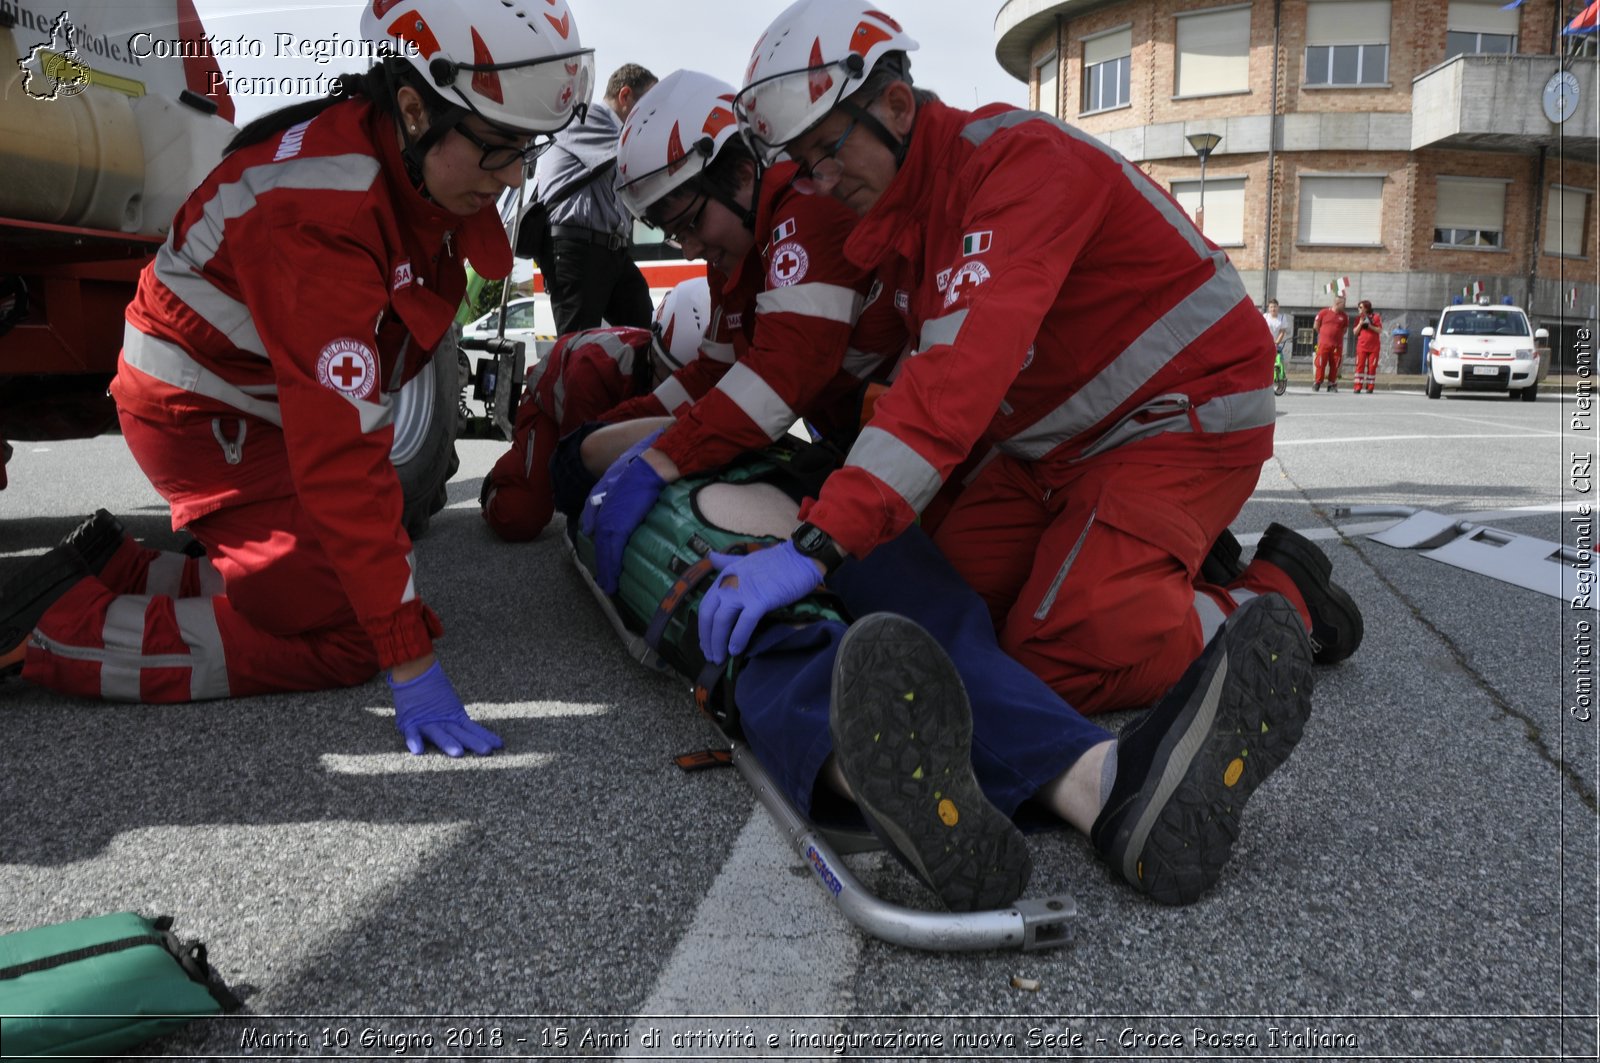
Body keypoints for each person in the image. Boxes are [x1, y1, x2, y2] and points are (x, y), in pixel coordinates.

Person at [701, 0, 1362, 720]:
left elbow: (953, 383)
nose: (820, 182)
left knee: (1051, 660)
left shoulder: (1015, 163)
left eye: (828, 151)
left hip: (1178, 421)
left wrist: (815, 545)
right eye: (803, 166)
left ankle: (1274, 598)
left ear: (895, 106)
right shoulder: (916, 210)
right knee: (952, 606)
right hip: (1060, 450)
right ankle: (1153, 570)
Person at [0, 0, 595, 756]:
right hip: (202, 410)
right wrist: (406, 658)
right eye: (496, 148)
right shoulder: (322, 207)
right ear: (412, 107)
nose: (513, 175)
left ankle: (123, 570)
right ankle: (50, 633)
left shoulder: (400, 161)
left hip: (240, 395)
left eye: (525, 150)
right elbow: (342, 457)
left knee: (358, 579)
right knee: (350, 634)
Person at [571, 441, 1316, 910]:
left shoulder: (747, 321)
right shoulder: (607, 375)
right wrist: (678, 423)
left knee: (939, 631)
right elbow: (587, 453)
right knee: (768, 630)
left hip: (830, 496)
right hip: (745, 514)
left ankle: (1111, 787)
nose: (688, 235)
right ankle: (907, 773)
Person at [576, 68, 907, 594]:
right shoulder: (737, 237)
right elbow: (714, 370)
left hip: (915, 447)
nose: (687, 248)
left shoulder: (806, 208)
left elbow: (784, 374)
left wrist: (662, 457)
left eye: (688, 224)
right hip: (863, 439)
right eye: (673, 233)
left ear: (743, 173)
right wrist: (606, 428)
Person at [479, 278, 710, 541]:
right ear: (653, 353)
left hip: (601, 403)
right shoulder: (593, 370)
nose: (675, 390)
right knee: (520, 516)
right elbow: (579, 463)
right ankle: (501, 480)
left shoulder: (673, 358)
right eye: (669, 376)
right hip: (552, 407)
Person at [533, 63, 657, 335]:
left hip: (609, 249)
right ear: (625, 96)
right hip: (578, 247)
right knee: (578, 341)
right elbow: (643, 157)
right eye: (649, 106)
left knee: (641, 325)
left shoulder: (614, 139)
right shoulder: (591, 117)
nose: (652, 116)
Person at [1313, 293, 1350, 392]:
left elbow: (1345, 330)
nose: (1345, 305)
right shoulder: (1323, 312)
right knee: (1320, 363)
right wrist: (1324, 335)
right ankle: (1317, 382)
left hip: (1337, 345)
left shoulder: (1344, 316)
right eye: (1344, 303)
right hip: (1324, 344)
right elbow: (1316, 326)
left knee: (1335, 364)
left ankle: (1331, 384)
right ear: (1337, 303)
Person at [1352, 299, 1383, 394]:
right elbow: (1355, 332)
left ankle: (1370, 387)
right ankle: (1357, 387)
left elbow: (1379, 330)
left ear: (1366, 308)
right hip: (1362, 347)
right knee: (1359, 367)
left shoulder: (1376, 317)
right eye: (1359, 307)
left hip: (1374, 347)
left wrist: (1369, 326)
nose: (1359, 309)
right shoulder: (1358, 318)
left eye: (1361, 307)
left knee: (1372, 367)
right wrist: (1361, 323)